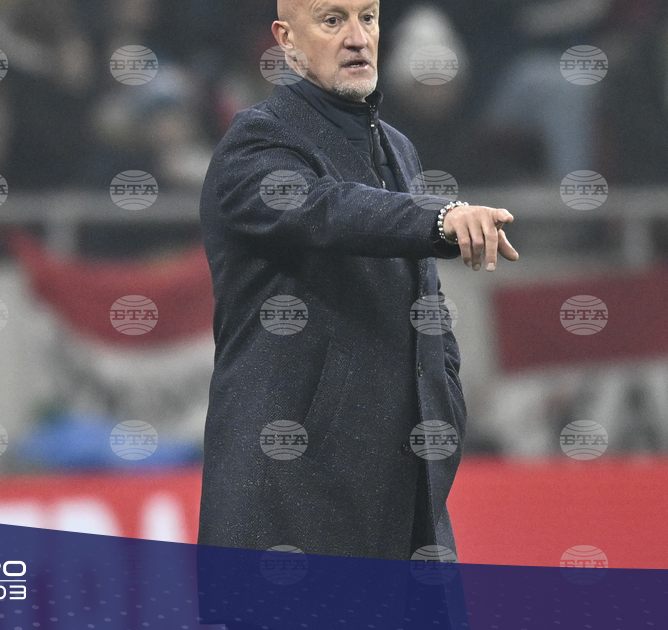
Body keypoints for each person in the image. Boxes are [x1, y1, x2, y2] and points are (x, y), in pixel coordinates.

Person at [197, 0, 518, 564]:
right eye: (332, 20)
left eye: (368, 18)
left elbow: (425, 308)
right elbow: (330, 209)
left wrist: (445, 406)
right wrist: (438, 219)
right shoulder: (255, 142)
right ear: (286, 40)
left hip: (403, 505)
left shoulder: (399, 149)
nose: (357, 37)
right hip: (287, 506)